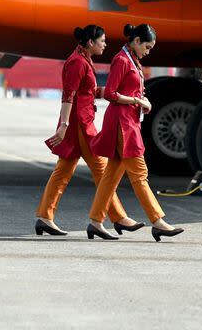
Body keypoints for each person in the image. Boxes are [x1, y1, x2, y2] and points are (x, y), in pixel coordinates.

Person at [35, 25, 143, 236]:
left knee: (63, 172)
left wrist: (111, 92)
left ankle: (44, 217)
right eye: (102, 41)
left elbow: (88, 91)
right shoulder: (77, 62)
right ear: (91, 42)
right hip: (80, 125)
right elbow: (69, 95)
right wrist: (64, 125)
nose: (105, 44)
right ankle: (116, 218)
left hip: (80, 122)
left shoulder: (82, 59)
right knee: (103, 171)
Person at [87, 23, 184, 242]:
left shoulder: (132, 60)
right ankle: (157, 221)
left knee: (110, 177)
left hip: (126, 121)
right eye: (147, 47)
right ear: (137, 41)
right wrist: (136, 100)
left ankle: (95, 221)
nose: (148, 51)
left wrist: (142, 100)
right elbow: (111, 93)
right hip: (123, 124)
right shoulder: (122, 60)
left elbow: (129, 90)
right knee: (139, 174)